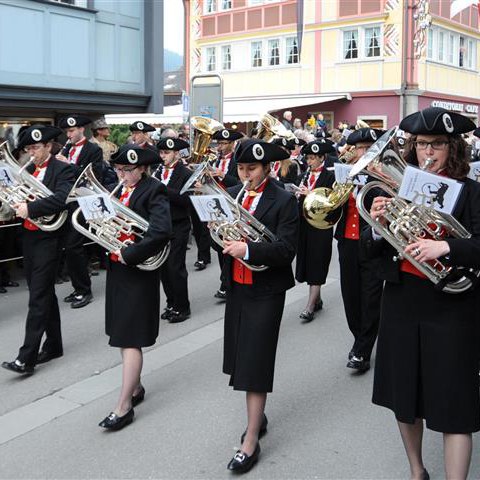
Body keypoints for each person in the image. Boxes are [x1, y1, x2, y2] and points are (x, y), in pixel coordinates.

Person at [363, 107, 480, 479]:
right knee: (405, 398)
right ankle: (417, 470)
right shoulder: (394, 189)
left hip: (452, 304)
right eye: (422, 144)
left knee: (454, 403)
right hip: (403, 300)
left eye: (438, 145)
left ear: (454, 148)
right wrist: (379, 226)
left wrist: (446, 248)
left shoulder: (472, 191)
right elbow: (367, 254)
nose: (428, 153)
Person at [217, 139, 298, 474]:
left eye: (251, 169)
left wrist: (247, 250)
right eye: (240, 168)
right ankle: (258, 417)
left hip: (266, 290)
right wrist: (217, 233)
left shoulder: (283, 199)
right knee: (240, 357)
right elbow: (221, 235)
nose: (245, 175)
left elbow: (286, 249)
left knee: (255, 362)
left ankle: (251, 438)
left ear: (268, 168)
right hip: (237, 286)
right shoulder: (233, 192)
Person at [98, 144, 172, 430]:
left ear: (142, 168)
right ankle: (136, 387)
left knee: (130, 338)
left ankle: (124, 405)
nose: (122, 175)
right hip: (118, 268)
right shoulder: (119, 189)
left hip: (139, 270)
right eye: (118, 169)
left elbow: (161, 231)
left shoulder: (154, 189)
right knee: (120, 333)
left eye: (128, 170)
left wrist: (132, 252)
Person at [2, 125, 74, 375]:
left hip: (50, 238)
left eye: (36, 148)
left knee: (38, 297)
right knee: (41, 292)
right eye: (29, 148)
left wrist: (31, 209)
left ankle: (26, 357)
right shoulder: (28, 170)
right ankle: (54, 345)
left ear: (48, 146)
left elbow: (61, 199)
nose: (32, 153)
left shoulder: (64, 169)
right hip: (30, 236)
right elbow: (17, 197)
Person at [334, 128, 384, 373]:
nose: (364, 152)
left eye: (369, 148)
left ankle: (362, 350)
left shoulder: (384, 176)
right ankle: (359, 337)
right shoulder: (343, 175)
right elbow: (331, 213)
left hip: (374, 244)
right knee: (350, 296)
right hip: (347, 242)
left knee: (371, 297)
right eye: (360, 148)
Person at [56, 115, 103, 309]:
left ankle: (85, 290)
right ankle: (77, 287)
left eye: (72, 130)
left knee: (75, 246)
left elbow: (94, 176)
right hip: (66, 202)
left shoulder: (94, 150)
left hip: (83, 202)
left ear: (82, 129)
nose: (69, 134)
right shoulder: (65, 148)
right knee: (69, 247)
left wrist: (68, 165)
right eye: (67, 132)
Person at [295, 139, 336, 322]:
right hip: (304, 224)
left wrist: (309, 195)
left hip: (321, 226)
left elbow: (331, 203)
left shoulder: (330, 177)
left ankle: (310, 306)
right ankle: (317, 299)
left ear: (322, 158)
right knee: (307, 261)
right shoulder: (303, 176)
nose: (309, 162)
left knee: (318, 261)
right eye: (308, 158)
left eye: (313, 158)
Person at [155, 137, 192, 323]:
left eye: (166, 153)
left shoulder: (184, 172)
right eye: (161, 153)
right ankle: (171, 302)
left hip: (179, 223)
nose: (163, 157)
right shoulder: (158, 171)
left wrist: (162, 189)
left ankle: (182, 307)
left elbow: (186, 201)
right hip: (161, 224)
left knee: (175, 266)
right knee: (162, 266)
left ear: (176, 153)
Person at [209, 128, 242, 291]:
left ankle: (227, 282)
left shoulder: (238, 160)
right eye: (219, 143)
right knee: (219, 243)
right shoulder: (215, 160)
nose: (220, 147)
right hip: (216, 205)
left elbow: (240, 183)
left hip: (231, 205)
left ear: (232, 144)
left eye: (223, 143)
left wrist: (222, 175)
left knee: (231, 243)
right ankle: (225, 278)